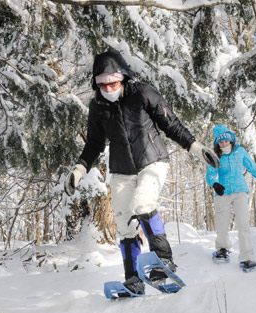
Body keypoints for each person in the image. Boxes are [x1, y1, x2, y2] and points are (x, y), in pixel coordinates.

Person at [65, 49, 219, 295]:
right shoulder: (98, 107)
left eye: (113, 82)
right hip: (121, 169)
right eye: (102, 84)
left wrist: (196, 148)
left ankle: (163, 259)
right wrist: (78, 170)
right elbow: (94, 143)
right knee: (125, 223)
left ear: (123, 77)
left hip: (152, 160)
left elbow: (171, 124)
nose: (108, 88)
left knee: (144, 203)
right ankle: (133, 278)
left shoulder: (143, 94)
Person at [205, 124, 256, 270]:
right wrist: (215, 184)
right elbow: (209, 175)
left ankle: (247, 258)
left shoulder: (240, 152)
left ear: (231, 140)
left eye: (226, 141)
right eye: (221, 142)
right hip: (222, 193)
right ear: (217, 143)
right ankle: (222, 249)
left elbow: (251, 166)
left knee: (243, 225)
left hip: (240, 190)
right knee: (222, 224)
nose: (224, 144)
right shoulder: (215, 156)